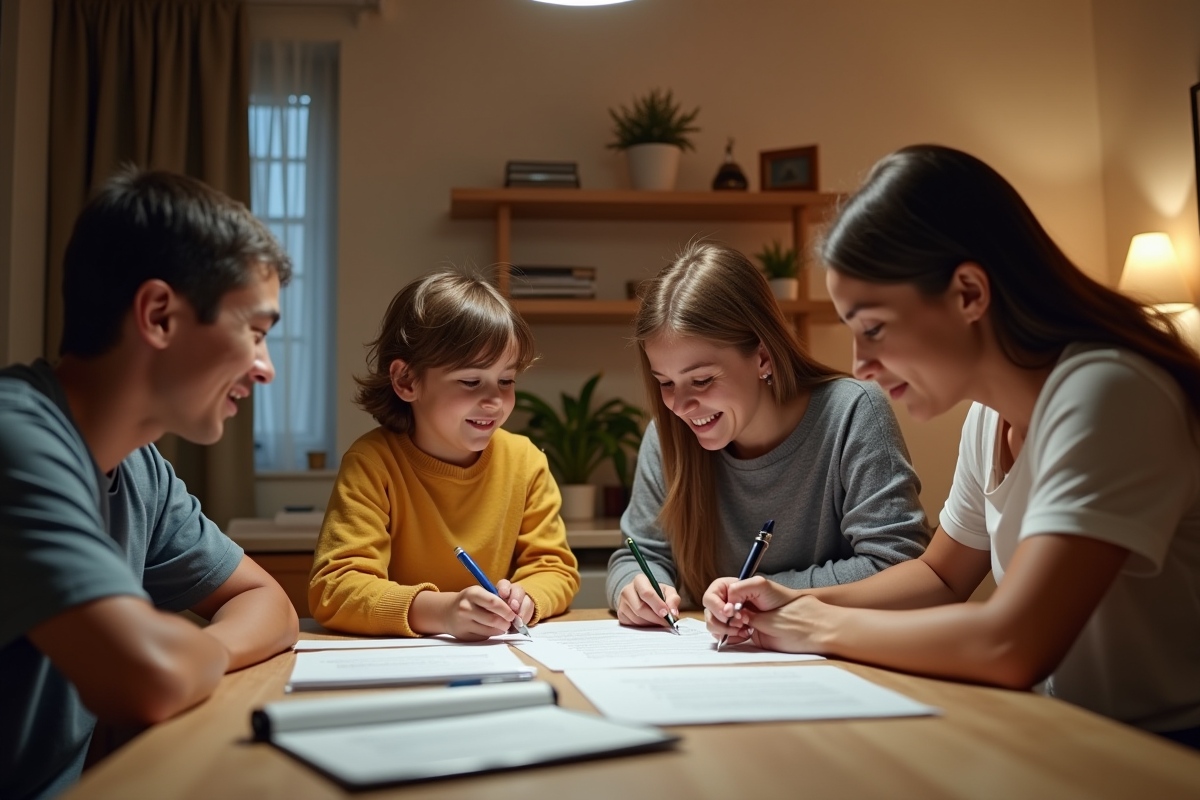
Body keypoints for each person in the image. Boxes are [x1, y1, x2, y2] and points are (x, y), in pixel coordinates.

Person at [705, 144, 1200, 746]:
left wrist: (818, 626)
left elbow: (1011, 643)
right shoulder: (989, 419)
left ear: (968, 292)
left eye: (874, 328)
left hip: (1168, 749)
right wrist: (791, 599)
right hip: (1073, 733)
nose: (861, 366)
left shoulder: (1110, 392)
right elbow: (940, 577)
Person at [0, 169, 301, 800]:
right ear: (159, 315)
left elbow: (269, 605)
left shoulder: (140, 467)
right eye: (255, 332)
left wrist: (189, 650)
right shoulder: (15, 439)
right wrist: (170, 656)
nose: (265, 369)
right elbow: (148, 679)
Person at [607, 242, 930, 628]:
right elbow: (638, 554)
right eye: (666, 382)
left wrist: (768, 594)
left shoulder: (853, 411)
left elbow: (899, 566)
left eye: (702, 379)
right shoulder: (666, 437)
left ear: (762, 357)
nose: (681, 405)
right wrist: (638, 587)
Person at [309, 270, 580, 640]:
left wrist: (527, 598)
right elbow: (335, 589)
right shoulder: (373, 463)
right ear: (406, 381)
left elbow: (555, 569)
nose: (496, 400)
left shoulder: (525, 462)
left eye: (507, 380)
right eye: (471, 381)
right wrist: (444, 612)